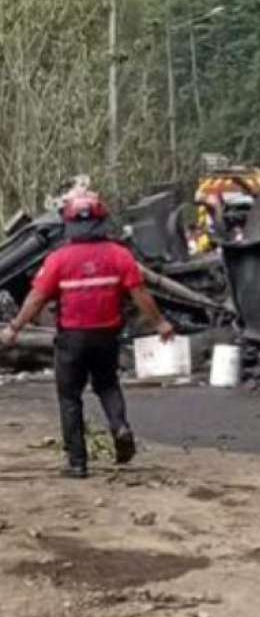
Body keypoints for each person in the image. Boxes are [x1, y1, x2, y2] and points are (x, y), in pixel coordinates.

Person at [0, 190, 174, 479]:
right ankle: (120, 426)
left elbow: (36, 298)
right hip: (107, 335)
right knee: (107, 385)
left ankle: (77, 463)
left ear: (69, 225)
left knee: (70, 397)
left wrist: (15, 327)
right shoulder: (119, 255)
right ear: (101, 222)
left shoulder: (58, 259)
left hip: (72, 338)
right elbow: (140, 294)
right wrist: (160, 324)